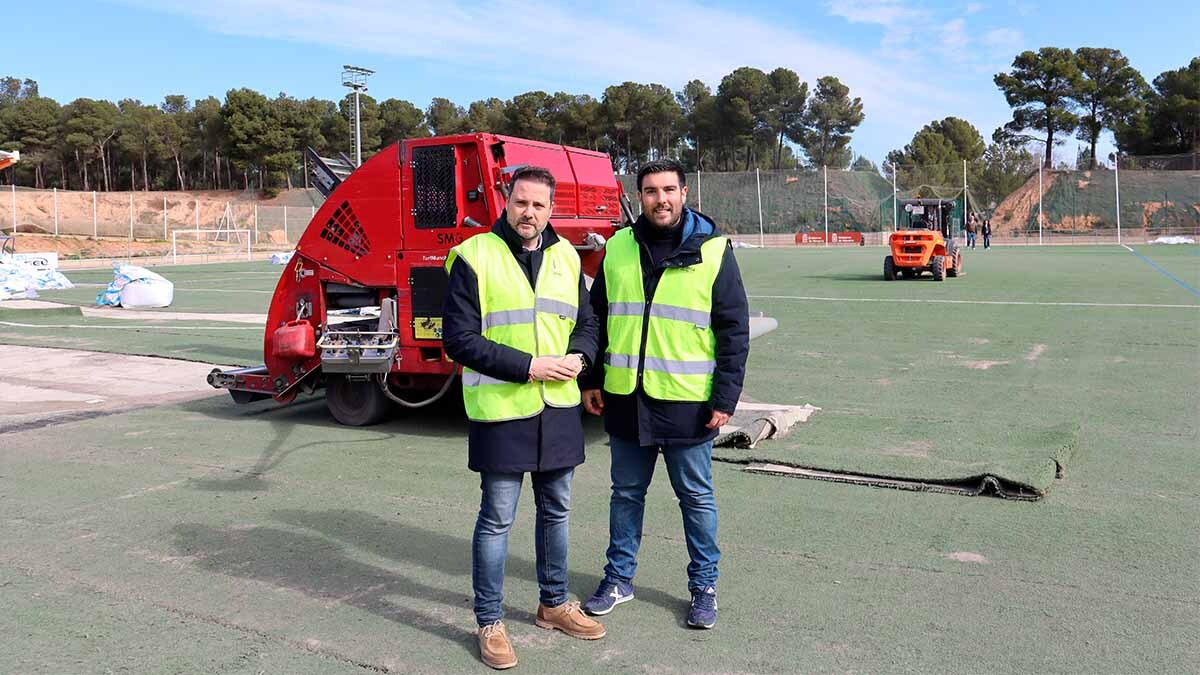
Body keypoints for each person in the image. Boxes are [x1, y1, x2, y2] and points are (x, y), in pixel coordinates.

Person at [442, 166, 605, 669]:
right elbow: (458, 340)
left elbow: (588, 322)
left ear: (551, 209)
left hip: (557, 409)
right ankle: (489, 621)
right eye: (520, 202)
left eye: (538, 204)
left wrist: (581, 356)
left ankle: (553, 604)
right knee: (497, 519)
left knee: (557, 510)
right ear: (506, 202)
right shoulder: (473, 256)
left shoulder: (565, 257)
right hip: (501, 409)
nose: (528, 212)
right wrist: (529, 367)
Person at [580, 159, 750, 629]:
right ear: (640, 197)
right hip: (626, 398)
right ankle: (619, 578)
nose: (661, 199)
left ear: (684, 192)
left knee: (695, 497)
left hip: (688, 403)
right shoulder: (616, 248)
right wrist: (589, 378)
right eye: (651, 191)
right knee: (626, 493)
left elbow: (734, 329)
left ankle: (704, 587)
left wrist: (725, 397)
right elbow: (596, 319)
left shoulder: (714, 251)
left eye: (669, 189)